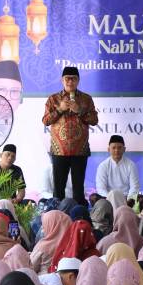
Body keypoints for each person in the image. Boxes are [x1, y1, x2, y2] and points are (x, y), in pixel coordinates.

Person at [42, 66, 99, 205]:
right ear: (62, 80)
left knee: (78, 190)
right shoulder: (53, 99)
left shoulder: (86, 99)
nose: (70, 81)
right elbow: (46, 121)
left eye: (74, 79)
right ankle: (58, 215)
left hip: (80, 150)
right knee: (58, 190)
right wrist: (60, 109)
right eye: (67, 78)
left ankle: (79, 215)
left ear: (78, 81)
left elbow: (94, 120)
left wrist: (79, 110)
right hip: (59, 150)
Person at [95, 135, 140, 203]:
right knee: (93, 197)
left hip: (126, 198)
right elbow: (101, 188)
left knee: (140, 198)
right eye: (113, 148)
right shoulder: (103, 166)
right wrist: (111, 199)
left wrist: (128, 200)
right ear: (108, 149)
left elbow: (135, 187)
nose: (116, 150)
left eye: (119, 147)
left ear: (124, 149)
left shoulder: (131, 165)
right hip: (108, 199)